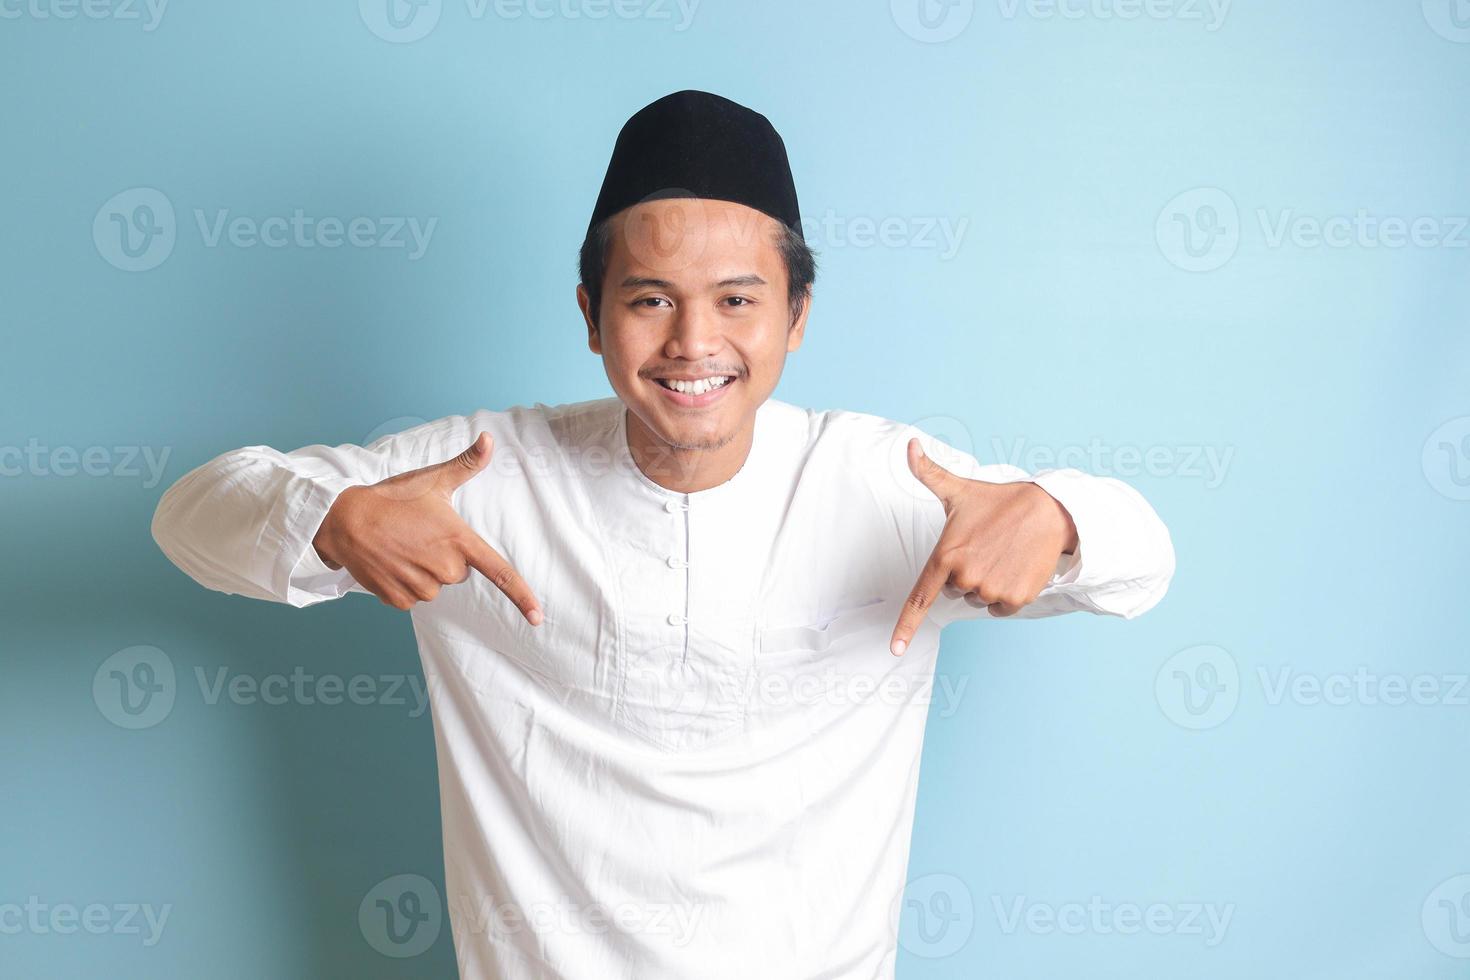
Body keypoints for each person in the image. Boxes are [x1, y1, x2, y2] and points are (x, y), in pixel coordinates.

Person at [152, 89, 1175, 980]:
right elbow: (191, 516)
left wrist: (1058, 514)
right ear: (592, 314)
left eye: (738, 300)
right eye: (651, 300)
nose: (695, 343)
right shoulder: (473, 473)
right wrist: (330, 518)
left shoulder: (889, 481)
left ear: (798, 314)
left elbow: (1144, 559)